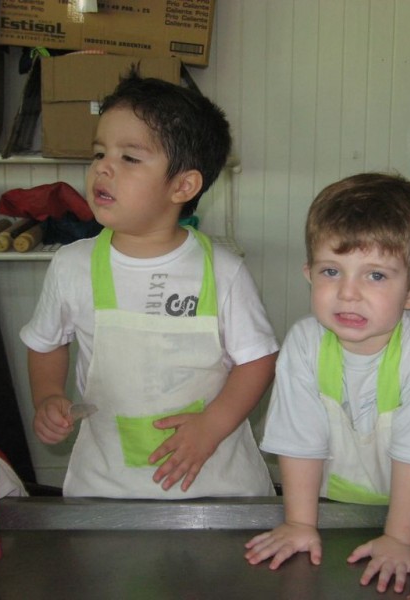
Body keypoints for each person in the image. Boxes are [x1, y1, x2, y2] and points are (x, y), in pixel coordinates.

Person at [21, 71, 278, 498]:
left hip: (215, 483)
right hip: (107, 485)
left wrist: (212, 427)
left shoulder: (223, 271)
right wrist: (47, 396)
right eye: (99, 152)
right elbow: (46, 342)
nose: (103, 167)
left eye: (129, 158)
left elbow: (259, 360)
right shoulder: (72, 265)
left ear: (183, 185)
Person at [245, 172, 410, 592]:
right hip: (332, 505)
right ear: (309, 273)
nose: (347, 293)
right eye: (331, 271)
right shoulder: (304, 343)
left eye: (375, 276)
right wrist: (300, 523)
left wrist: (400, 539)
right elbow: (299, 443)